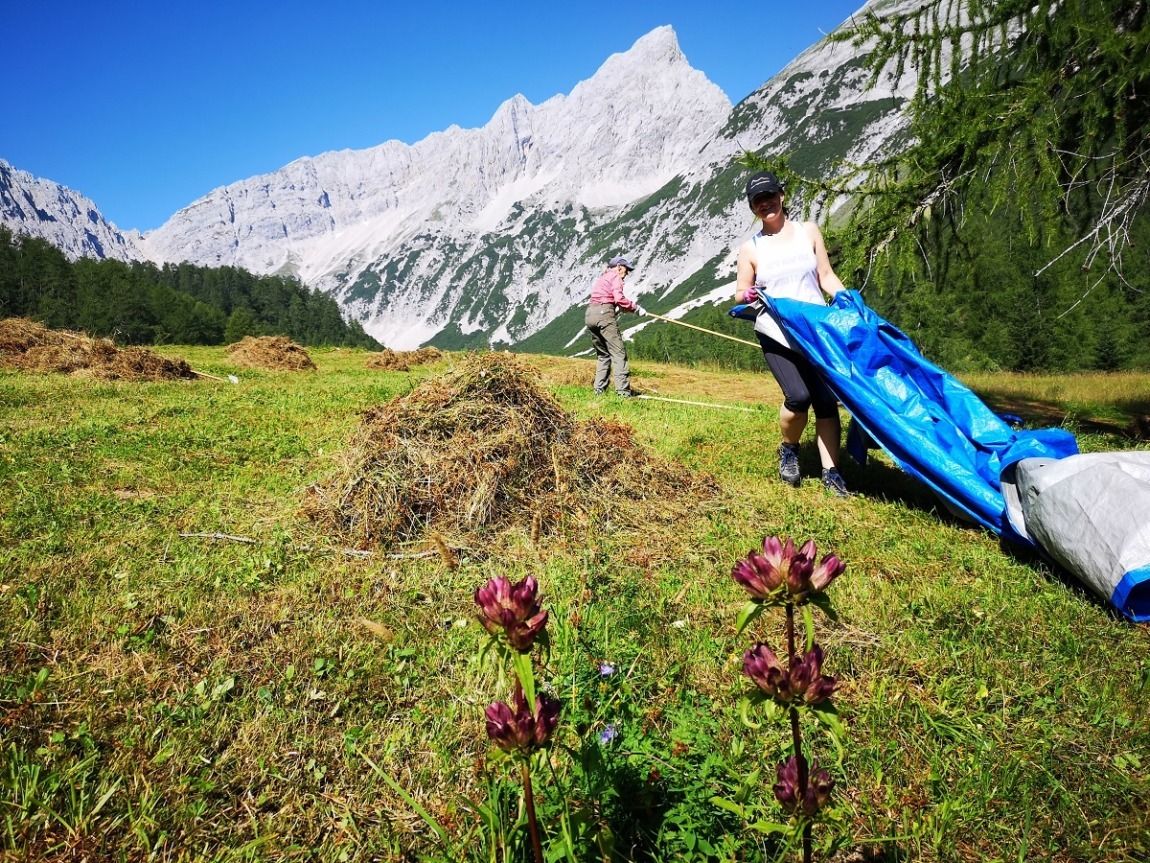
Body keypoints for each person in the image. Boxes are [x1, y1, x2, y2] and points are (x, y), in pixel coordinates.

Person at [735, 171, 849, 496]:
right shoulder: (751, 248)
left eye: (769, 195)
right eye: (758, 200)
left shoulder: (808, 231)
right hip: (776, 331)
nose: (765, 203)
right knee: (798, 397)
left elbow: (825, 275)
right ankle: (789, 448)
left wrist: (844, 299)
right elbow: (740, 290)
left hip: (814, 330)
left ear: (782, 196)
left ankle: (831, 473)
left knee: (826, 402)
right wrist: (748, 295)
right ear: (753, 207)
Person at [586, 254, 646, 397]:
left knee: (603, 355)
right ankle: (623, 393)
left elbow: (610, 300)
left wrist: (627, 309)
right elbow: (619, 299)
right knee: (619, 354)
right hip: (604, 315)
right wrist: (636, 308)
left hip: (590, 314)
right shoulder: (616, 277)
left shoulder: (603, 278)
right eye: (626, 269)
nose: (627, 273)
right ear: (619, 267)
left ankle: (599, 391)